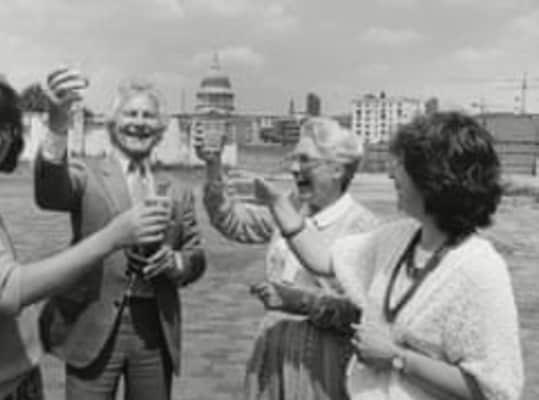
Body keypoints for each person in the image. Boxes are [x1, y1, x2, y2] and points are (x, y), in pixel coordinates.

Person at [0, 73, 171, 400]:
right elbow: (7, 287)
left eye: (3, 127)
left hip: (1, 375)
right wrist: (113, 236)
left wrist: (178, 263)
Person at [256, 111, 524, 399]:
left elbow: (494, 389)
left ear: (432, 177)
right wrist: (279, 206)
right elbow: (324, 260)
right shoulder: (398, 238)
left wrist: (398, 358)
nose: (391, 174)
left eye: (403, 165)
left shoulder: (479, 270)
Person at [35, 68, 206, 400]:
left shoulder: (178, 190)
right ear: (112, 124)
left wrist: (176, 263)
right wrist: (57, 126)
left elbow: (196, 256)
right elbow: (49, 193)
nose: (139, 123)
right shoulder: (87, 175)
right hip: (92, 326)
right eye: (131, 114)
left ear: (160, 129)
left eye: (148, 116)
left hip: (154, 329)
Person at [195, 117, 378, 399]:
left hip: (323, 368)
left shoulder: (363, 228)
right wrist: (213, 166)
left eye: (305, 160)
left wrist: (299, 301)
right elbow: (232, 222)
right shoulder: (290, 207)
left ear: (337, 169)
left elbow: (362, 315)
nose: (294, 168)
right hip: (272, 358)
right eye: (294, 159)